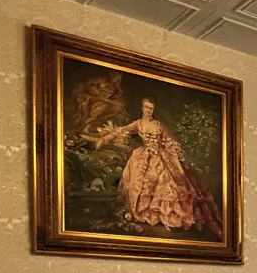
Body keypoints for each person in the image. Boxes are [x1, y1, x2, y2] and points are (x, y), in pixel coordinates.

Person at [94, 99, 222, 237]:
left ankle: (169, 217)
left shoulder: (158, 125)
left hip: (162, 156)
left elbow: (168, 141)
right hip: (144, 156)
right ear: (142, 108)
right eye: (146, 108)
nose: (149, 111)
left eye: (151, 108)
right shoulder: (138, 123)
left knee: (169, 183)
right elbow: (121, 130)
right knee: (143, 183)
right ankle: (147, 213)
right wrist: (107, 137)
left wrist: (174, 153)